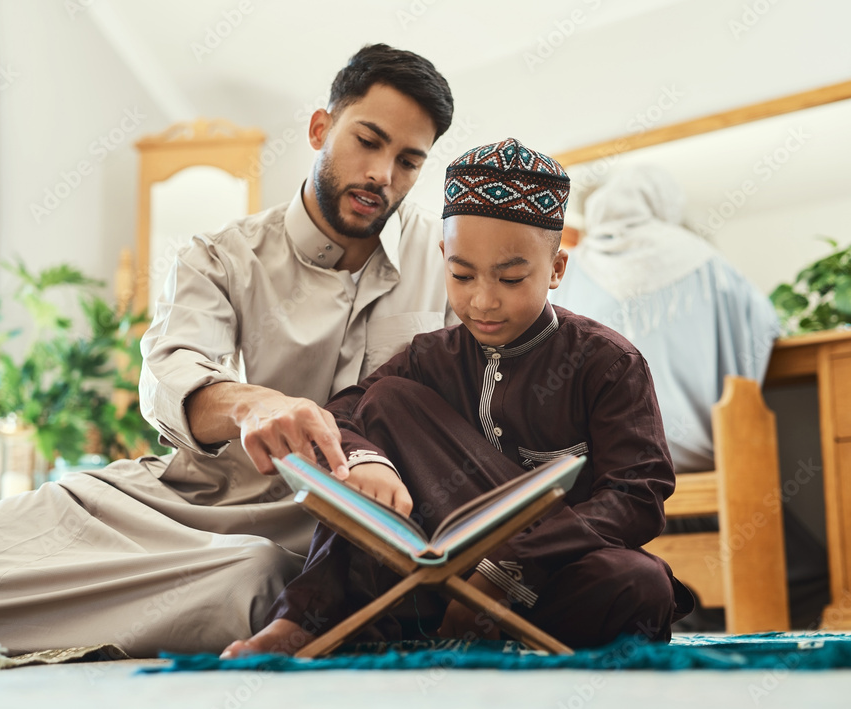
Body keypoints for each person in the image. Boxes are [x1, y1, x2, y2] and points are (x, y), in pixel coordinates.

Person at [0, 44, 456, 657]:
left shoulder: (449, 264)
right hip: (179, 501)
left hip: (319, 539)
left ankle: (255, 603)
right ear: (320, 129)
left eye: (408, 161)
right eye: (369, 141)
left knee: (252, 583)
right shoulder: (222, 255)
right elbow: (173, 368)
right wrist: (253, 405)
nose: (384, 174)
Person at [223, 139, 694, 657]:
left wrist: (506, 567)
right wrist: (370, 462)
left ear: (557, 269)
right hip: (427, 567)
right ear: (443, 257)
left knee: (639, 584)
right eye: (462, 275)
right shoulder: (429, 357)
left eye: (512, 278)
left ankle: (451, 623)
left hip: (543, 576)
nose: (483, 300)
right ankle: (304, 621)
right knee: (387, 406)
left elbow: (636, 496)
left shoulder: (608, 362)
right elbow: (344, 414)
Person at [549, 165, 828, 629]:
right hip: (700, 457)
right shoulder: (702, 260)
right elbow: (763, 328)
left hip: (603, 468)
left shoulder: (570, 271)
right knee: (810, 575)